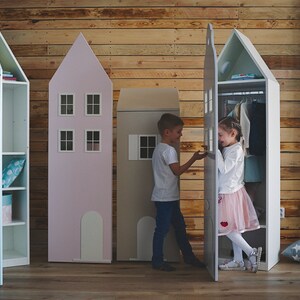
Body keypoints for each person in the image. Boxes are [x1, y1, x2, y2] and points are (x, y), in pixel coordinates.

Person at [151, 113, 207, 272]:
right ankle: (157, 261)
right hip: (165, 198)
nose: (181, 134)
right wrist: (194, 158)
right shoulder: (168, 151)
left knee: (180, 228)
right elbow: (178, 171)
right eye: (178, 131)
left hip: (168, 197)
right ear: (167, 132)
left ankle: (189, 257)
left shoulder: (159, 149)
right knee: (162, 230)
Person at [217, 116, 262, 272]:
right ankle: (238, 260)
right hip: (228, 191)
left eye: (220, 135)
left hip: (230, 193)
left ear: (233, 133)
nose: (218, 138)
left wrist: (214, 151)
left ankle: (251, 251)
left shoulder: (235, 150)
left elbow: (223, 169)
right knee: (233, 229)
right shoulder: (228, 148)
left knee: (225, 228)